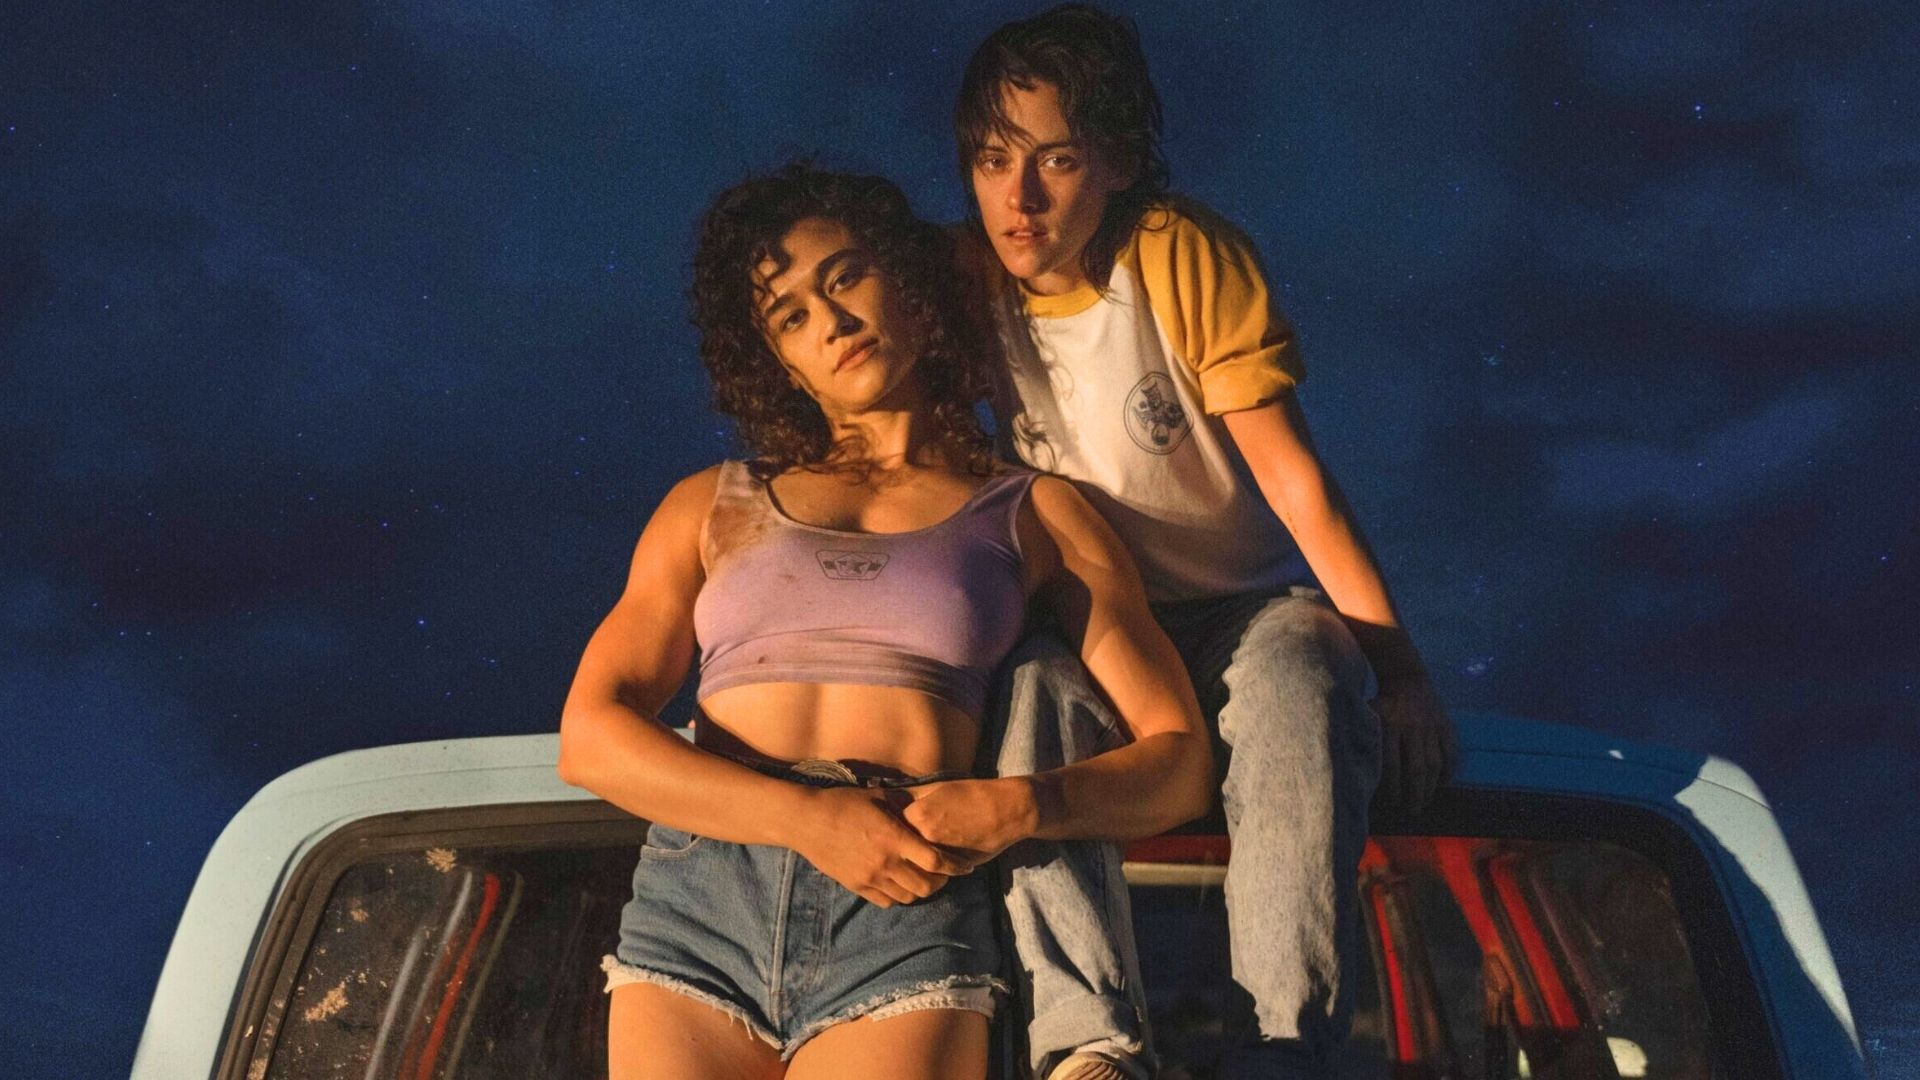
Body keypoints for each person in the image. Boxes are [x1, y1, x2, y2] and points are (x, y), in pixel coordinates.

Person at [556, 165, 1215, 1080]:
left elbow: (1179, 762)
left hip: (905, 906)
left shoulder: (1035, 512)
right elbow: (590, 738)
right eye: (791, 316)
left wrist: (1022, 805)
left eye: (845, 278)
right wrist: (806, 819)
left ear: (907, 282)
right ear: (778, 360)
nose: (830, 322)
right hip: (699, 904)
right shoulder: (709, 504)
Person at [927, 7, 1460, 1078]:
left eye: (1055, 160)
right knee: (1030, 696)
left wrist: (1397, 669)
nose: (1019, 199)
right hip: (1098, 617)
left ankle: (1282, 1043)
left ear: (1118, 162)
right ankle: (1087, 1046)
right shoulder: (965, 283)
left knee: (1300, 674)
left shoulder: (1176, 255)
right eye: (992, 161)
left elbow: (1295, 483)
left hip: (1242, 607)